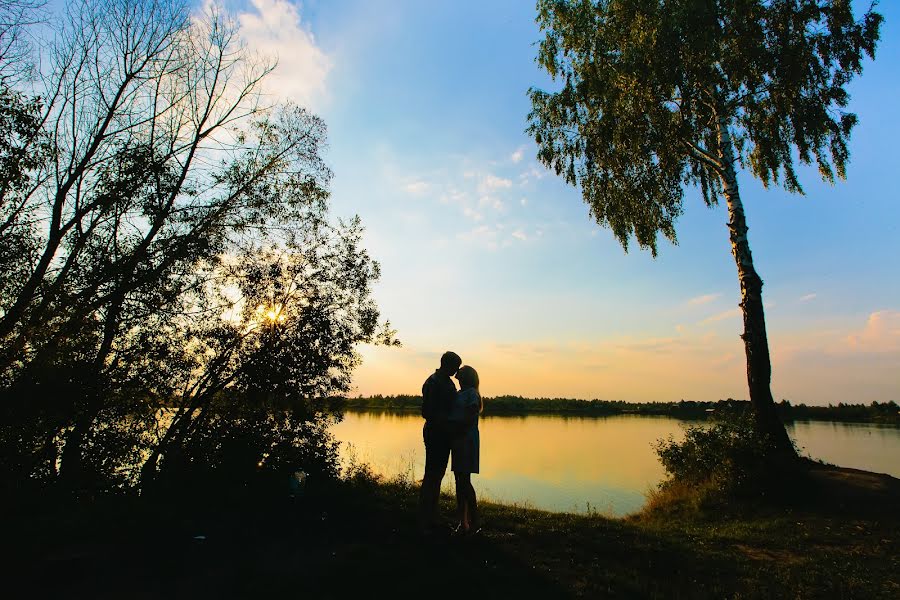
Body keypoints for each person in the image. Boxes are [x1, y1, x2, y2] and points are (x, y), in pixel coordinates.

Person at [418, 351, 462, 535]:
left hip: (440, 433)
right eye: (456, 366)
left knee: (436, 474)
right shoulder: (436, 382)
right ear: (448, 364)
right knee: (433, 474)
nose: (457, 370)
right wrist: (446, 423)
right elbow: (428, 411)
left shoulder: (442, 381)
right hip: (437, 433)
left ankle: (430, 513)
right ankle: (427, 516)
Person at [449, 365, 483, 535]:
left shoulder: (471, 394)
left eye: (460, 376)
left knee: (464, 481)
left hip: (466, 439)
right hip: (458, 439)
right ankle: (463, 522)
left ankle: (473, 521)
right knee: (460, 480)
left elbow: (470, 416)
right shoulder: (461, 393)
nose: (458, 378)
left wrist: (456, 428)